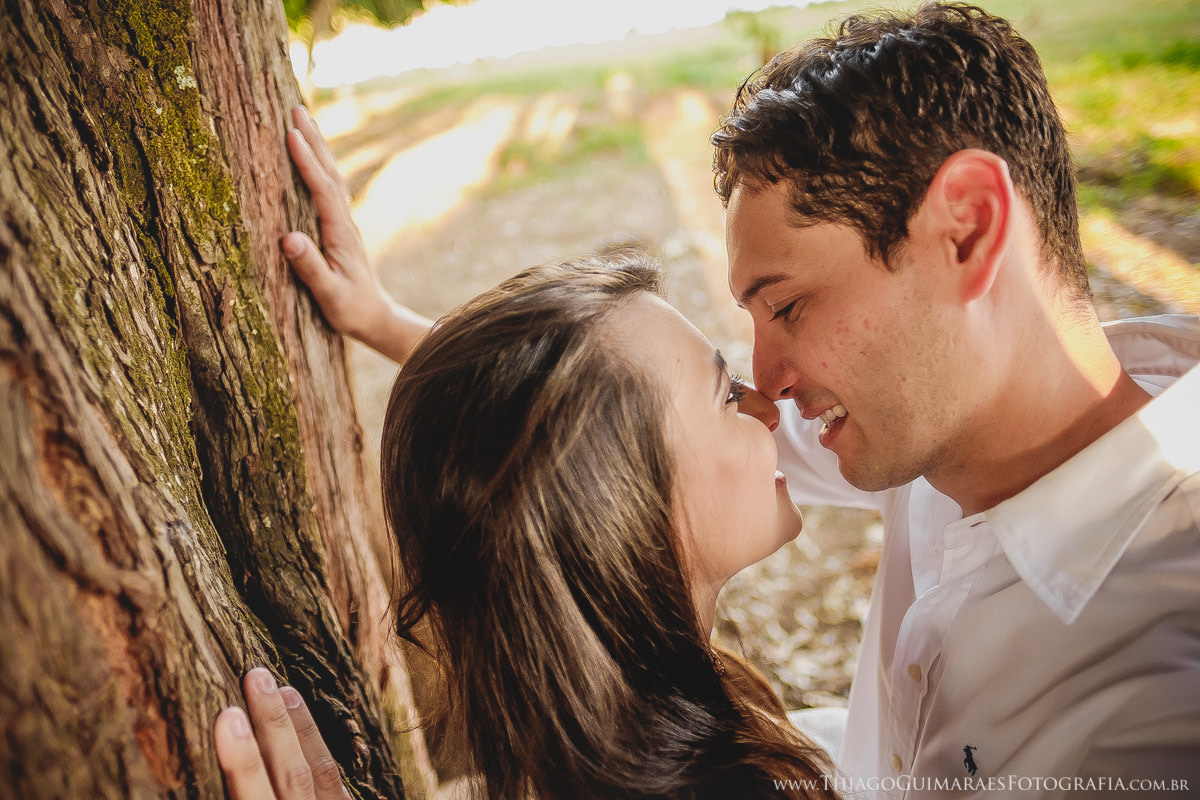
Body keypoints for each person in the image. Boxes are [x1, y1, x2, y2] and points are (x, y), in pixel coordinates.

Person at [215, 115, 835, 799]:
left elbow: (557, 438)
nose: (770, 407)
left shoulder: (625, 732)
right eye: (726, 395)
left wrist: (384, 322)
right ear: (617, 512)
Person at [710, 1, 1200, 795]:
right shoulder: (940, 416)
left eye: (789, 306)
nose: (769, 384)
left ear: (967, 230)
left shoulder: (1154, 710)